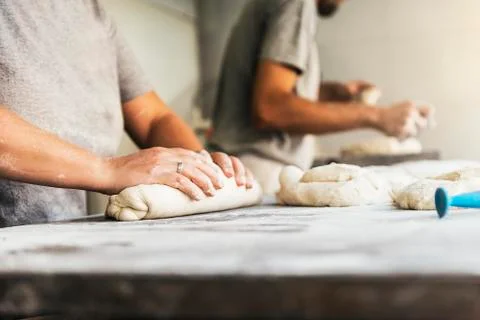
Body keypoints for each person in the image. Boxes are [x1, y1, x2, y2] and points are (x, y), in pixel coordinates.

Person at [0, 0, 253, 227]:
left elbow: (154, 118)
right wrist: (107, 170)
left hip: (53, 235)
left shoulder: (91, 12)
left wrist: (203, 169)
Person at [209, 0, 431, 194]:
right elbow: (270, 108)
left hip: (249, 168)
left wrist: (331, 93)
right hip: (258, 171)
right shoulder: (296, 2)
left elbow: (273, 91)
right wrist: (377, 116)